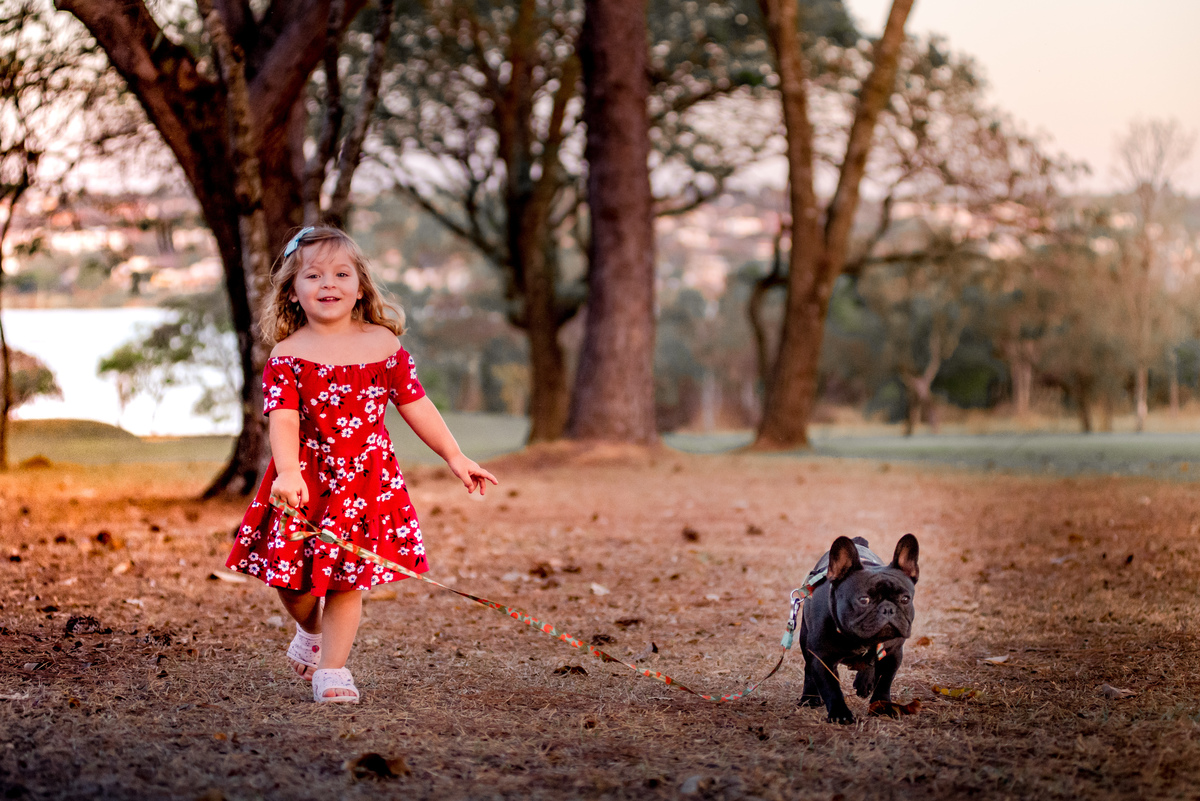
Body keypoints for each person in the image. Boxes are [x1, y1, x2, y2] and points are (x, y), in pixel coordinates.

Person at [226, 226, 498, 704]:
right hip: (304, 479)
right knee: (291, 582)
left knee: (346, 579)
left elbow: (417, 405)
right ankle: (308, 631)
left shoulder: (383, 345)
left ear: (360, 285)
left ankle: (332, 670)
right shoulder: (286, 357)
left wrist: (454, 455)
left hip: (363, 480)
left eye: (341, 273)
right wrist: (287, 470)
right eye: (313, 275)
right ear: (293, 290)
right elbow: (284, 421)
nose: (328, 283)